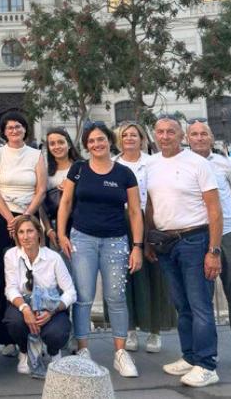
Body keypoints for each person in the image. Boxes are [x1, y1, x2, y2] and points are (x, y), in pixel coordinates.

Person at [56, 122, 143, 377]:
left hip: (116, 241)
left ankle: (120, 353)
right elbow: (66, 203)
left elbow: (135, 212)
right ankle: (83, 348)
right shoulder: (78, 169)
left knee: (116, 297)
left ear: (109, 140)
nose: (97, 144)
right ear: (86, 145)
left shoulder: (124, 173)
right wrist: (61, 234)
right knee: (83, 297)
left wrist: (137, 246)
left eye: (101, 139)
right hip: (82, 239)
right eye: (91, 141)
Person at [145, 116, 223, 388]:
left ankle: (207, 364)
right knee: (182, 305)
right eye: (160, 131)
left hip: (194, 240)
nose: (165, 136)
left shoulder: (198, 164)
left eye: (171, 131)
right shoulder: (151, 164)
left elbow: (214, 209)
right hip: (165, 244)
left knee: (200, 305)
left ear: (181, 136)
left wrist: (214, 251)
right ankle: (190, 356)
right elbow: (150, 205)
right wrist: (148, 240)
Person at [187, 119, 231, 372]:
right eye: (194, 134)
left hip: (227, 232)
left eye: (203, 134)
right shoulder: (183, 163)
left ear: (211, 138)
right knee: (200, 299)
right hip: (197, 233)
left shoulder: (226, 163)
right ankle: (203, 352)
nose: (199, 138)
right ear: (187, 139)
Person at [0, 110, 46, 351]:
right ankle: (6, 336)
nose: (14, 130)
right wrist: (11, 219)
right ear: (3, 131)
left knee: (32, 273)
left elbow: (41, 189)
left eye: (18, 126)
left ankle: (34, 332)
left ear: (25, 129)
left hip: (29, 218)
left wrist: (26, 217)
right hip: (3, 220)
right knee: (3, 274)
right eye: (10, 127)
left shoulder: (36, 155)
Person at [115, 121, 174, 354]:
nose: (129, 138)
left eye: (134, 135)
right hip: (120, 221)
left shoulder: (153, 163)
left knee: (154, 276)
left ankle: (154, 330)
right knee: (124, 277)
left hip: (151, 219)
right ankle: (128, 329)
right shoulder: (113, 164)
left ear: (142, 139)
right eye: (125, 135)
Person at [2, 215, 76, 376]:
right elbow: (11, 289)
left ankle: (53, 351)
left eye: (30, 231)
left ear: (39, 234)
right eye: (21, 232)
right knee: (14, 322)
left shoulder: (53, 258)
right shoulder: (11, 255)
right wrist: (25, 309)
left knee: (57, 332)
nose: (25, 236)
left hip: (50, 305)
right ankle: (24, 351)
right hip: (24, 303)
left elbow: (70, 292)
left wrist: (52, 311)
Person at [41, 127, 80, 247]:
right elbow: (41, 204)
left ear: (69, 144)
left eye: (61, 142)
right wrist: (49, 229)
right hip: (55, 226)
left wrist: (72, 187)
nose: (57, 146)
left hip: (81, 226)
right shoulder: (45, 172)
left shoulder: (82, 167)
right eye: (52, 144)